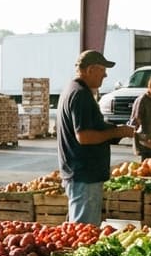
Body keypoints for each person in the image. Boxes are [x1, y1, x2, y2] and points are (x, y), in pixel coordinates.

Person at [57, 49, 136, 224]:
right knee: (83, 233)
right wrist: (118, 132)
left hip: (81, 174)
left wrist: (115, 131)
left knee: (78, 230)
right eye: (103, 69)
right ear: (90, 69)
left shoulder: (73, 90)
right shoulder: (80, 95)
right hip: (84, 175)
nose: (106, 75)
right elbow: (84, 137)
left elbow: (92, 128)